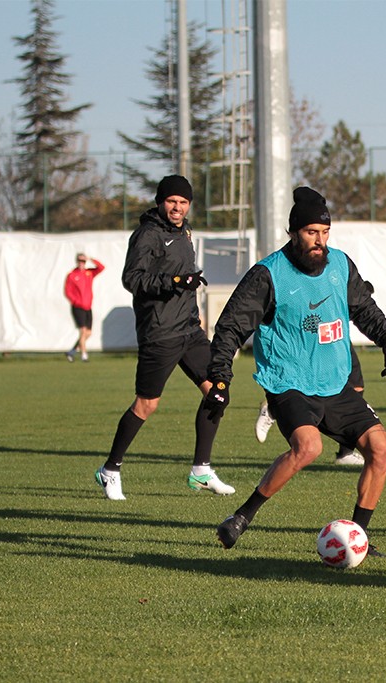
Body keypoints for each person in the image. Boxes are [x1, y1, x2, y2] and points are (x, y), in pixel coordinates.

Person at [209, 187, 386, 551]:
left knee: (382, 449)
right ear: (294, 232)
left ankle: (357, 535)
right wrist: (220, 377)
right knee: (308, 447)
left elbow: (362, 306)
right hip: (289, 382)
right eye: (312, 233)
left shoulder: (340, 264)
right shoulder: (268, 275)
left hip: (335, 382)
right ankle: (241, 517)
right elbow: (232, 326)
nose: (320, 241)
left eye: (325, 233)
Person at [94, 175, 234, 501]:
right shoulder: (147, 235)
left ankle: (201, 470)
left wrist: (190, 292)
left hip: (189, 330)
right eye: (172, 201)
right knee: (147, 404)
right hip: (160, 333)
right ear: (161, 201)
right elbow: (133, 279)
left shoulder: (184, 232)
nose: (178, 207)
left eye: (184, 202)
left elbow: (185, 278)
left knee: (218, 393)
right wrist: (172, 280)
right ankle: (110, 470)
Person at [254, 345, 367, 466]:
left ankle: (346, 452)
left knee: (356, 384)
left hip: (335, 333)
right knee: (308, 381)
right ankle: (275, 405)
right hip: (316, 336)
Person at [64, 252, 105, 362]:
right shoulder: (72, 275)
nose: (81, 263)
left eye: (83, 261)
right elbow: (68, 292)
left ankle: (72, 351)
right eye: (80, 261)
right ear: (76, 261)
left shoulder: (89, 273)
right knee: (83, 331)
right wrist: (77, 302)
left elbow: (101, 267)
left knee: (88, 333)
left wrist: (90, 258)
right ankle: (84, 355)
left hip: (88, 306)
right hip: (78, 307)